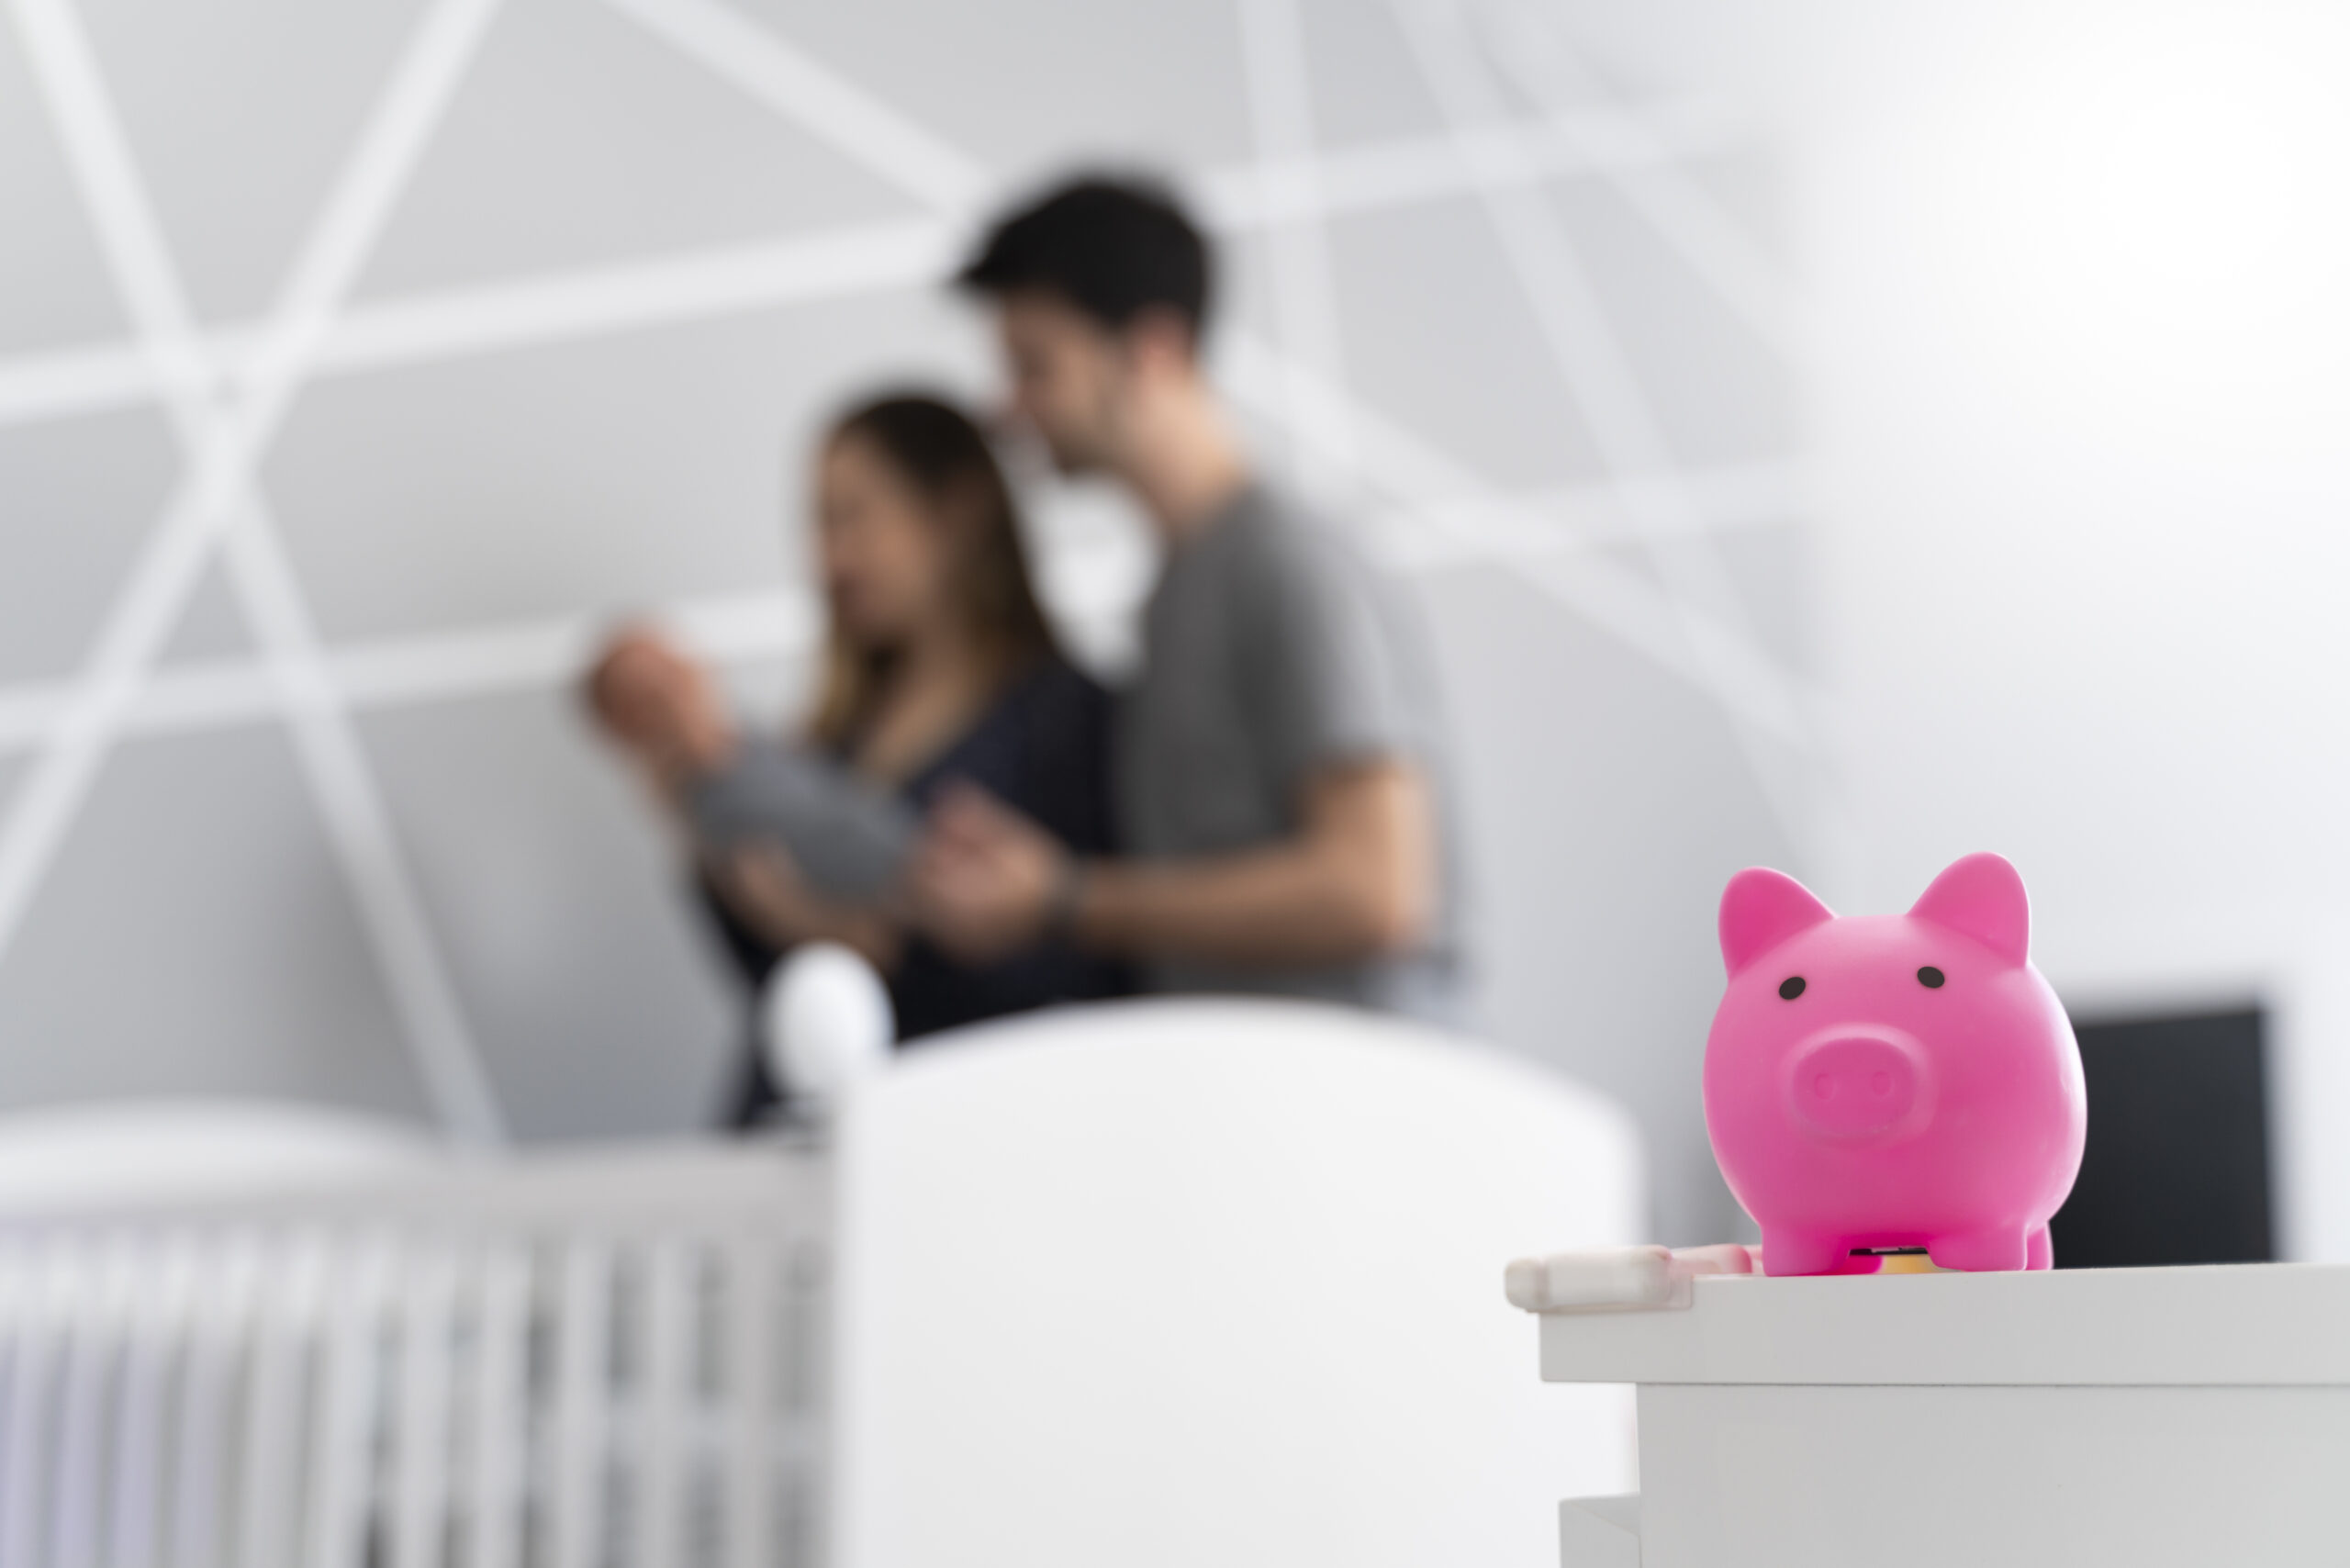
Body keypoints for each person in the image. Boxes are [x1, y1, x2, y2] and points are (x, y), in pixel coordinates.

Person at [909, 177, 1463, 1022]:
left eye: (1036, 367)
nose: (1010, 408)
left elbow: (1377, 889)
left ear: (1152, 350)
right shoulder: (1176, 595)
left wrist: (1067, 900)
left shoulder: (1286, 562)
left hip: (1373, 1120)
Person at [588, 392, 1126, 1124]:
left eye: (853, 517)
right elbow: (765, 978)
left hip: (946, 1140)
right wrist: (697, 805)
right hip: (794, 1130)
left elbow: (1079, 981)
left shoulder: (1067, 721)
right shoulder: (825, 744)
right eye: (817, 523)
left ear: (958, 512)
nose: (830, 557)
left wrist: (870, 944)